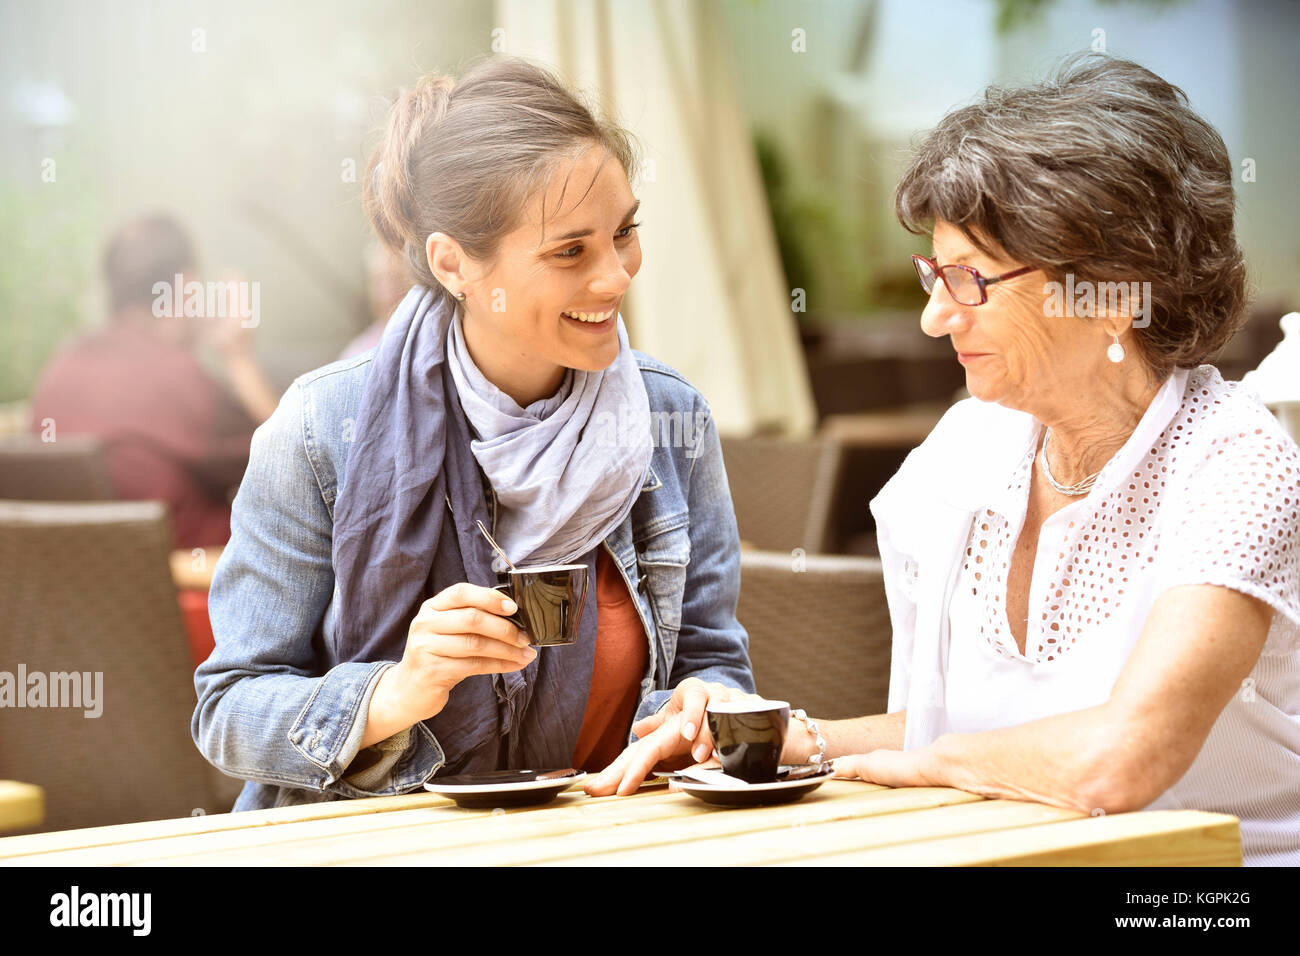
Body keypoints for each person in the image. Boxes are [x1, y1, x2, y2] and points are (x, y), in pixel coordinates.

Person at [603, 54, 1300, 866]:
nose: (935, 318)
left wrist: (926, 770)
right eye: (933, 273)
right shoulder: (967, 450)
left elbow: (1122, 759)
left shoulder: (1235, 462)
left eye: (969, 279)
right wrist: (777, 740)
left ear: (1112, 292)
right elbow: (960, 735)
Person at [191, 57, 755, 810]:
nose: (616, 275)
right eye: (569, 251)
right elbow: (227, 710)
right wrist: (395, 693)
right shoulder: (323, 429)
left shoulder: (669, 419)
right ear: (454, 263)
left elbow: (713, 664)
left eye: (624, 232)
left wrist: (703, 712)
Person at [27, 215, 279, 549]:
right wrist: (240, 359)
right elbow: (291, 465)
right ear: (188, 286)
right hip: (190, 588)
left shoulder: (59, 368)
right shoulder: (181, 381)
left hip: (82, 587)